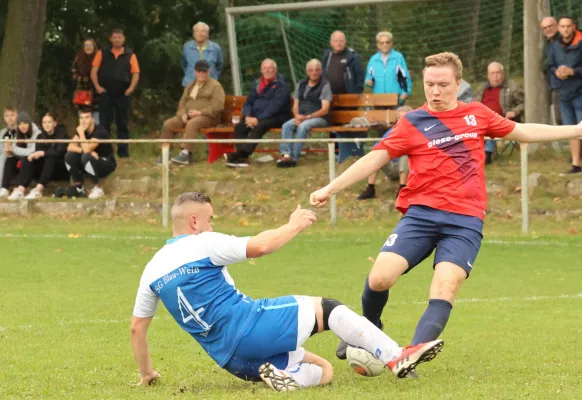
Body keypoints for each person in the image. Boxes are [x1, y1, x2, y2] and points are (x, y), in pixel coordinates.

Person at [309, 52, 582, 362]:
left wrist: (576, 129)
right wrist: (331, 188)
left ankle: (409, 355)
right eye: (429, 85)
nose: (435, 92)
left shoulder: (477, 114)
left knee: (446, 286)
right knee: (379, 279)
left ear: (458, 83)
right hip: (422, 216)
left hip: (465, 220)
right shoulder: (412, 122)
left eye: (442, 85)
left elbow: (524, 132)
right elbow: (375, 157)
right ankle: (369, 328)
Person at [130, 192, 444, 391]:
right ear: (195, 221)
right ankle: (396, 357)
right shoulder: (203, 243)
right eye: (210, 219)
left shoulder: (152, 270)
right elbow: (263, 245)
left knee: (324, 371)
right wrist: (295, 223)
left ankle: (289, 378)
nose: (212, 226)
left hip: (233, 361)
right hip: (251, 327)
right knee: (330, 309)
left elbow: (137, 329)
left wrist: (147, 373)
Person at [225, 59, 291, 168]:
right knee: (240, 127)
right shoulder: (257, 83)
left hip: (278, 116)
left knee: (260, 125)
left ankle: (241, 154)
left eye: (270, 68)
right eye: (265, 68)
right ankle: (242, 158)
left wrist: (258, 119)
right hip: (256, 117)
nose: (267, 70)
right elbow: (248, 102)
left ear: (275, 70)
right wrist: (248, 116)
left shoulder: (281, 85)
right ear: (261, 70)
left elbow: (275, 107)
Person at [160, 60, 225, 165]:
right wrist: (182, 114)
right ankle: (165, 154)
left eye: (204, 71)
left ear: (209, 71)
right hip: (189, 115)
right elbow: (182, 103)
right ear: (195, 72)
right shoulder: (190, 86)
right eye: (199, 71)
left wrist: (200, 113)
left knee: (192, 123)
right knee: (168, 124)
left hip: (208, 117)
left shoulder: (215, 86)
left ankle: (186, 153)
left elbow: (218, 106)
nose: (202, 74)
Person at [91, 28, 140, 158]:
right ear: (111, 39)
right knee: (104, 124)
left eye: (119, 37)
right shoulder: (102, 53)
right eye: (115, 37)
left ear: (124, 39)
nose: (117, 39)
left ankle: (123, 152)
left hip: (122, 94)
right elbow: (94, 71)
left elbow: (135, 74)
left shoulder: (130, 55)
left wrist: (130, 89)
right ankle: (104, 152)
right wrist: (97, 87)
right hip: (105, 94)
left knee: (122, 124)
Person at [278, 59, 332, 168]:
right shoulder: (301, 84)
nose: (314, 73)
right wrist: (297, 116)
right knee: (286, 125)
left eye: (316, 70)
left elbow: (325, 109)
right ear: (307, 72)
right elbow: (295, 104)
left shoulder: (325, 85)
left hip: (320, 118)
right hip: (302, 116)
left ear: (320, 71)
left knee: (303, 126)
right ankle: (286, 154)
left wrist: (307, 117)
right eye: (311, 70)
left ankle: (293, 158)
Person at [548, 16, 582, 174]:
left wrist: (572, 71)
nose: (566, 29)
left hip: (580, 93)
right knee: (571, 130)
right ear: (558, 28)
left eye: (568, 26)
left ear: (574, 27)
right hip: (564, 94)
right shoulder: (554, 46)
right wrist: (556, 72)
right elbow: (549, 66)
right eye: (562, 26)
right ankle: (576, 165)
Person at [7, 113, 69, 200]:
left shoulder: (62, 134)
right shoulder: (40, 136)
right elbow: (38, 153)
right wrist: (32, 155)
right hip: (44, 170)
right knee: (28, 158)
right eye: (44, 122)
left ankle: (38, 190)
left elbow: (59, 152)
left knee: (51, 158)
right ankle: (20, 190)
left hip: (59, 168)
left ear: (55, 123)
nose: (46, 125)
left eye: (49, 122)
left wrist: (43, 153)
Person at [357, 106, 413, 200]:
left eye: (405, 118)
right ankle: (370, 188)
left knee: (405, 155)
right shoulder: (392, 132)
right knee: (376, 155)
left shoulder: (417, 132)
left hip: (409, 168)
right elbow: (377, 147)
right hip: (392, 165)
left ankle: (402, 188)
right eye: (400, 118)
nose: (402, 121)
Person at [474, 62, 524, 164]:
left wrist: (514, 112)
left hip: (501, 119)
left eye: (498, 73)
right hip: (481, 118)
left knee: (491, 123)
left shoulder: (512, 86)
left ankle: (487, 153)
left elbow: (525, 103)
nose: (495, 76)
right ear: (488, 75)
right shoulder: (482, 88)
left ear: (503, 74)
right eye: (492, 73)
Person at [61, 110, 116, 199]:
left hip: (106, 163)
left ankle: (98, 188)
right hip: (89, 161)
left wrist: (82, 134)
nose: (83, 121)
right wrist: (85, 151)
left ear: (92, 120)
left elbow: (87, 150)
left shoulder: (100, 131)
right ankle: (78, 187)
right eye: (81, 118)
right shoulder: (81, 130)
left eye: (87, 117)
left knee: (86, 156)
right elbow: (70, 147)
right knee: (69, 156)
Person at [0, 112, 42, 199]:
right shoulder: (18, 132)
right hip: (22, 163)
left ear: (29, 123)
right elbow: (13, 148)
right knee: (10, 159)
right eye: (20, 124)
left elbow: (33, 150)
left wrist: (15, 150)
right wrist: (12, 150)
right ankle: (4, 189)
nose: (22, 126)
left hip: (35, 164)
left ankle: (19, 191)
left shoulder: (37, 133)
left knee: (27, 158)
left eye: (25, 123)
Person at [365, 31, 411, 105]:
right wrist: (368, 82)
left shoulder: (398, 57)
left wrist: (405, 93)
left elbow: (405, 77)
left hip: (396, 98)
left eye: (387, 42)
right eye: (382, 43)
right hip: (378, 99)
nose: (385, 45)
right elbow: (368, 78)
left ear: (391, 43)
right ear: (378, 45)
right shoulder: (373, 60)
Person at [540, 16, 562, 126]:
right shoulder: (548, 43)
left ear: (557, 26)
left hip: (568, 85)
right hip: (554, 86)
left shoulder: (563, 40)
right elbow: (543, 64)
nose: (548, 29)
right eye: (545, 28)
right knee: (560, 118)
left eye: (550, 26)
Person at [72, 38, 100, 123]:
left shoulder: (99, 58)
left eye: (90, 45)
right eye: (86, 46)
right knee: (83, 121)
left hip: (96, 95)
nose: (88, 47)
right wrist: (82, 79)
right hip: (82, 93)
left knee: (96, 122)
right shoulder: (79, 58)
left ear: (94, 47)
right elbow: (74, 73)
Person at [0, 106, 18, 189]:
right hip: (4, 156)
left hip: (17, 158)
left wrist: (12, 150)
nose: (10, 118)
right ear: (4, 117)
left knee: (3, 158)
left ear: (16, 116)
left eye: (12, 115)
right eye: (7, 116)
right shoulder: (2, 133)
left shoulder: (21, 129)